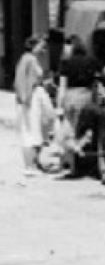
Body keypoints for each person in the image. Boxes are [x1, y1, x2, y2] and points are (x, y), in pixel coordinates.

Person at [13, 36, 49, 175]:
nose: (43, 49)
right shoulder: (29, 59)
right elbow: (21, 79)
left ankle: (34, 163)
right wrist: (24, 97)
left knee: (33, 130)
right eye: (41, 46)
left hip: (31, 97)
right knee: (30, 131)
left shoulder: (27, 58)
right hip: (30, 98)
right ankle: (30, 166)